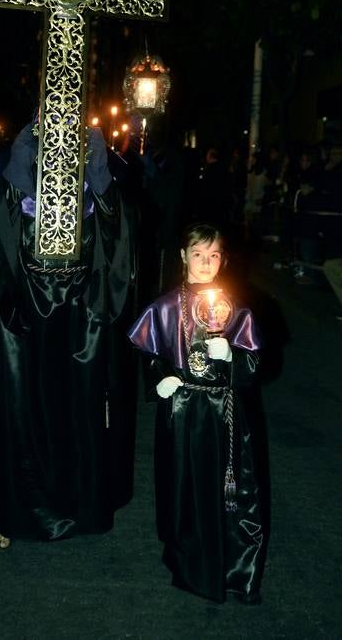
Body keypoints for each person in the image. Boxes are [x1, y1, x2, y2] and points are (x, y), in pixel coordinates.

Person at [0, 121, 138, 548]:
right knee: (22, 407)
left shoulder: (97, 184)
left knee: (78, 406)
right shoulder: (14, 184)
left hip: (81, 315)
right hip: (24, 317)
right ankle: (17, 509)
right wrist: (20, 165)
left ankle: (81, 505)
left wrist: (99, 176)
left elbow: (118, 243)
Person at [128, 223, 267, 604]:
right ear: (183, 257)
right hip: (183, 410)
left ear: (223, 260)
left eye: (213, 255)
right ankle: (186, 558)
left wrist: (234, 358)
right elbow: (150, 353)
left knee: (230, 490)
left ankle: (233, 567)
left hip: (225, 413)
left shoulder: (235, 309)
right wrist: (159, 379)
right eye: (198, 255)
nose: (205, 263)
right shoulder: (166, 306)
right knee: (182, 482)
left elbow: (256, 365)